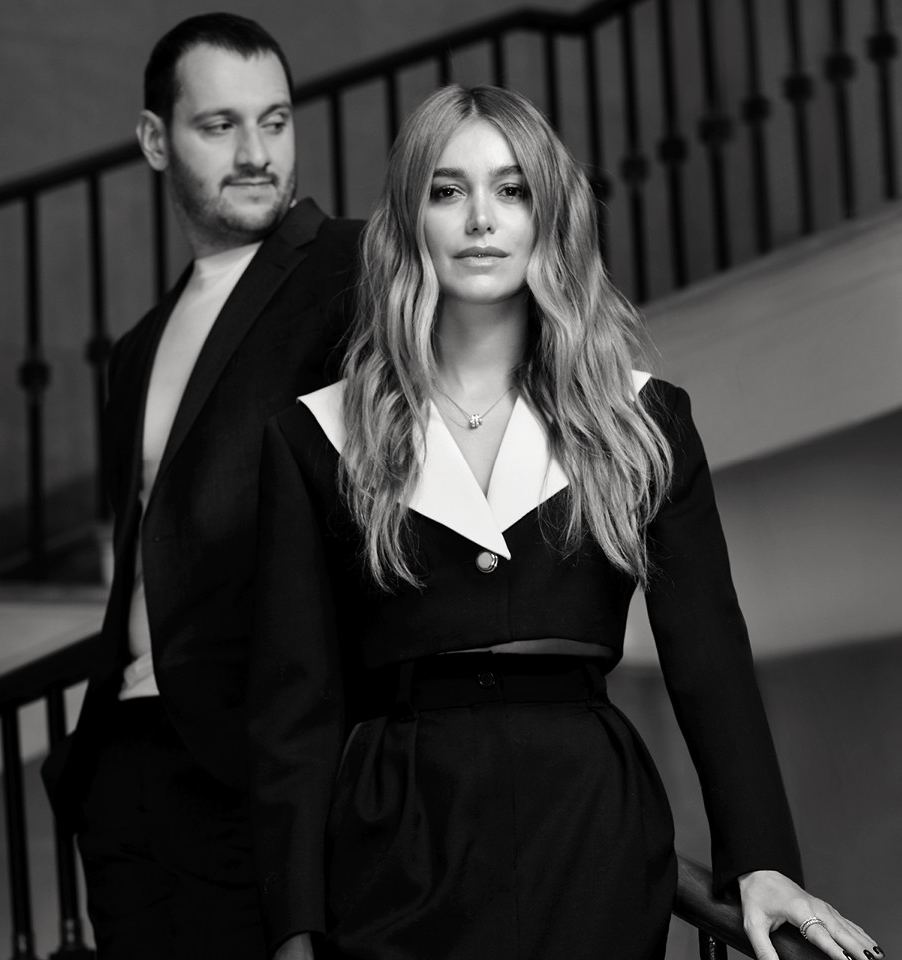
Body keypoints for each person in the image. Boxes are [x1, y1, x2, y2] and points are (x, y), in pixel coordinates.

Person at [248, 85, 882, 960]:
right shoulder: (315, 434)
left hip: (591, 827)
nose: (481, 218)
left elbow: (709, 655)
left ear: (549, 215)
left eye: (512, 191)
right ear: (408, 220)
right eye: (447, 190)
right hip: (396, 837)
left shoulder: (644, 420)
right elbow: (296, 710)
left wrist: (764, 862)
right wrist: (294, 928)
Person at [40, 13, 363, 959]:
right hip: (127, 769)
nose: (258, 153)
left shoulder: (353, 269)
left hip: (255, 767)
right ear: (156, 140)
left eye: (276, 121)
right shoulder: (138, 348)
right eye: (220, 125)